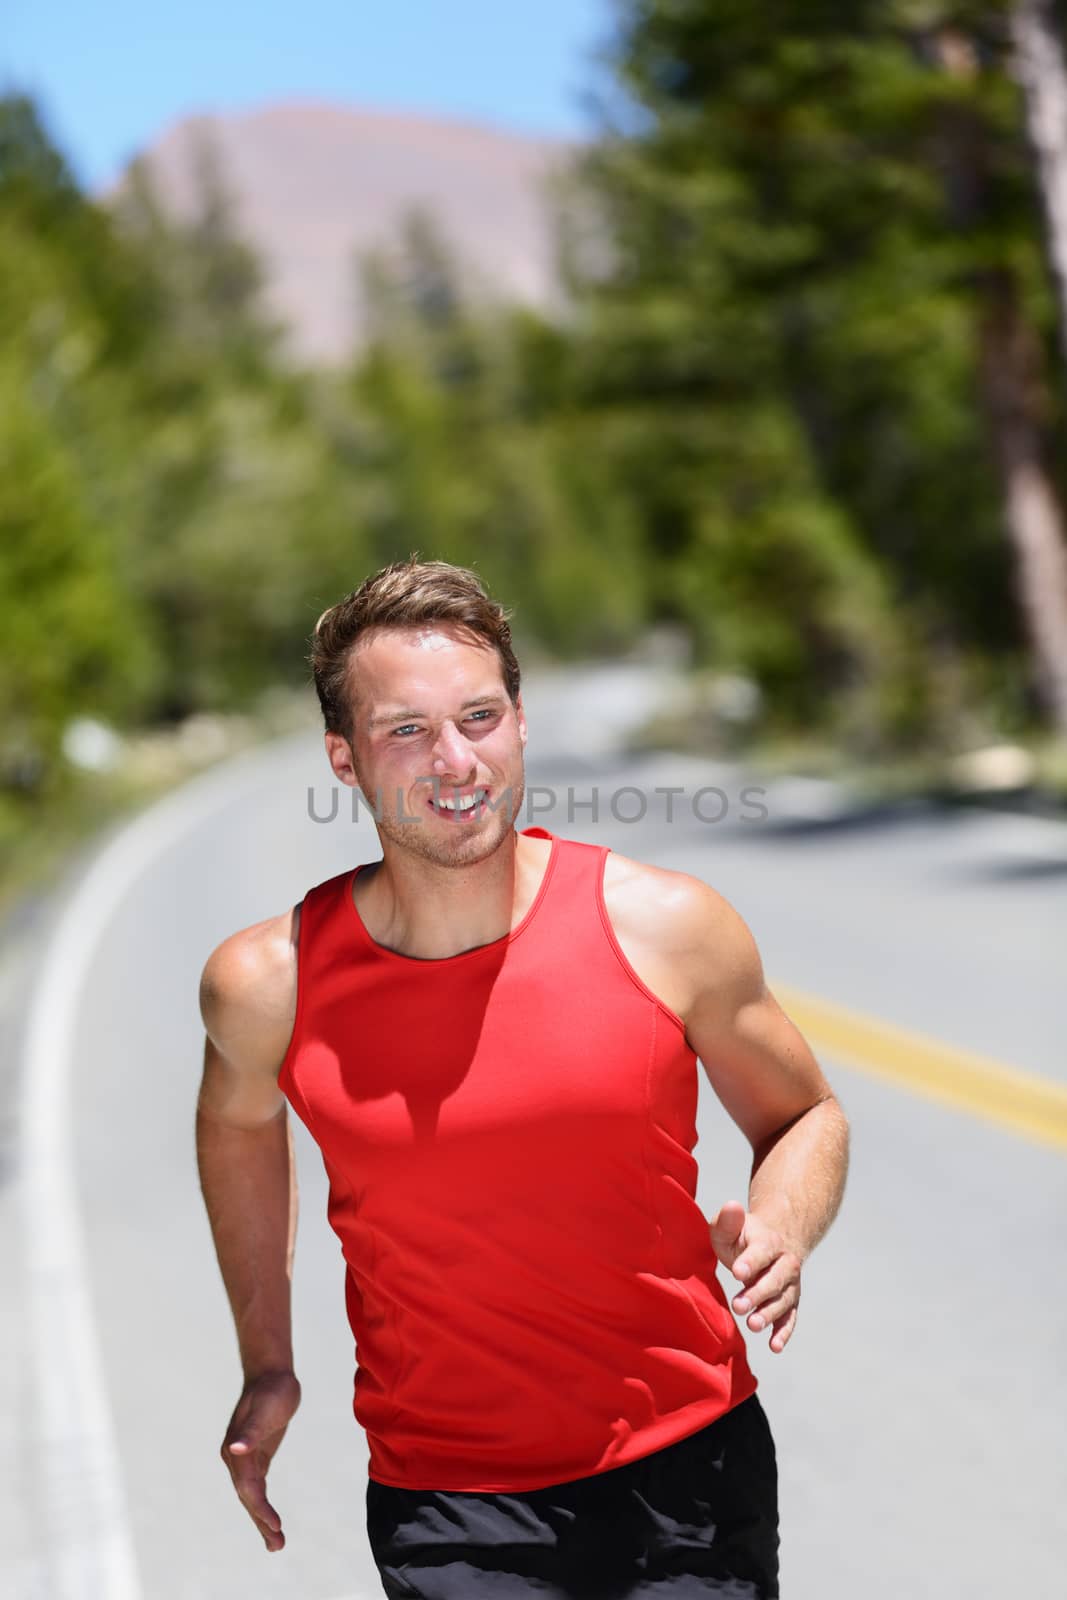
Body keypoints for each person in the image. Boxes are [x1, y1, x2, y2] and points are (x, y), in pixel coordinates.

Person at [196, 557, 850, 1598]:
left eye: (479, 716)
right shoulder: (266, 983)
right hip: (446, 1501)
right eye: (405, 730)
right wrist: (266, 1358)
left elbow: (804, 1111)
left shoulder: (663, 926)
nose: (455, 760)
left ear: (520, 723)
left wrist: (782, 1222)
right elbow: (236, 1125)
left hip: (688, 1469)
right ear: (343, 758)